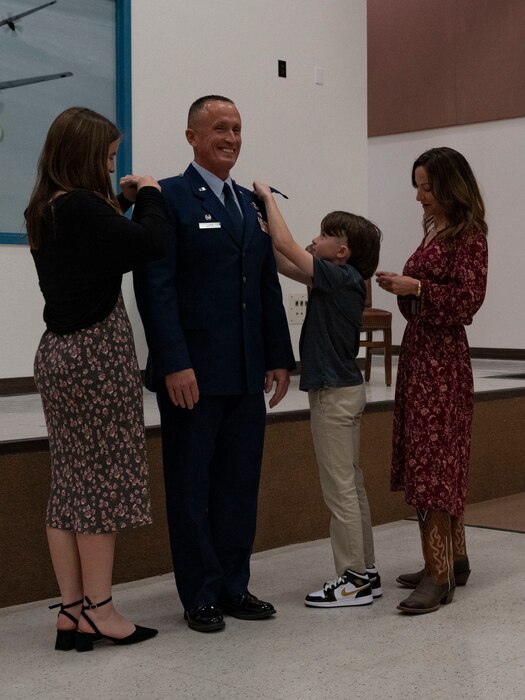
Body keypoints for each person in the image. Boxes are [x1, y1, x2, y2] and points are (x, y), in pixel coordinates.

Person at [133, 95, 295, 633]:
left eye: (238, 128)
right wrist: (174, 362)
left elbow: (267, 285)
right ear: (192, 136)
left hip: (247, 371)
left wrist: (278, 357)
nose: (232, 137)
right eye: (220, 128)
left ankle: (233, 584)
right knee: (191, 485)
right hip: (193, 376)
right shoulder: (170, 198)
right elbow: (156, 289)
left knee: (238, 485)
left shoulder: (249, 205)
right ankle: (199, 592)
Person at [27, 106, 167, 651]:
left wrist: (124, 202)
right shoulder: (84, 207)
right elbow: (147, 243)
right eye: (108, 159)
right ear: (86, 157)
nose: (113, 169)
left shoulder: (46, 207)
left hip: (57, 355)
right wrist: (151, 193)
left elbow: (102, 234)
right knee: (99, 485)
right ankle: (102, 611)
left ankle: (70, 611)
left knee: (68, 483)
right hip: (94, 357)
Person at [253, 181, 383, 608]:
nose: (317, 237)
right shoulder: (341, 278)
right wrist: (258, 229)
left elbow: (288, 245)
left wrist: (268, 199)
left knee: (339, 489)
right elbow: (282, 259)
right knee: (352, 485)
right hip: (345, 391)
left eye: (326, 234)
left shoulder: (340, 277)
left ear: (342, 251)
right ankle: (366, 572)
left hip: (334, 395)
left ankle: (353, 580)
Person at [376, 146, 488, 614]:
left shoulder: (470, 236)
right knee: (432, 459)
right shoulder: (437, 231)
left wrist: (416, 287)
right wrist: (407, 290)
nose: (420, 197)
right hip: (423, 357)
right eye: (417, 187)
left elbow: (467, 302)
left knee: (434, 466)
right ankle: (452, 561)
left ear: (450, 186)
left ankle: (438, 574)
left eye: (427, 187)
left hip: (442, 364)